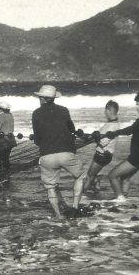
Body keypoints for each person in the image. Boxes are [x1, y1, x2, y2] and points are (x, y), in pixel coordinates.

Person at [31, 84, 84, 218]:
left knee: (50, 186)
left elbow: (37, 139)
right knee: (79, 176)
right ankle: (75, 207)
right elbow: (72, 130)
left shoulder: (36, 113)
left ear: (42, 98)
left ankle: (58, 215)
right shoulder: (64, 110)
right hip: (67, 153)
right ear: (54, 98)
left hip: (47, 155)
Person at [104, 89, 139, 202]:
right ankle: (124, 198)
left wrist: (113, 133)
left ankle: (120, 199)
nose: (137, 107)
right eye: (136, 104)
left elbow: (129, 130)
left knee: (112, 175)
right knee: (125, 177)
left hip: (137, 156)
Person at [83, 100, 121, 192]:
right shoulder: (111, 124)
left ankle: (82, 195)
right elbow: (100, 135)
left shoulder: (112, 126)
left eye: (105, 111)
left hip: (102, 155)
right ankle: (96, 184)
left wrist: (95, 138)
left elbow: (104, 142)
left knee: (89, 175)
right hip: (104, 155)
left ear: (109, 111)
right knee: (93, 174)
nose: (104, 113)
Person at [0, 101, 16, 171]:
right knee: (6, 157)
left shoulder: (0, 116)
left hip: (2, 140)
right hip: (11, 138)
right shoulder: (10, 115)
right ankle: (7, 171)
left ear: (1, 109)